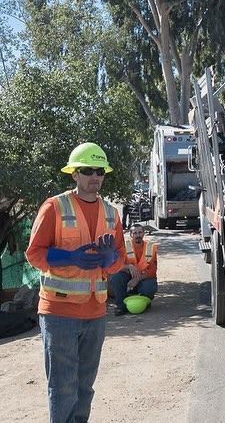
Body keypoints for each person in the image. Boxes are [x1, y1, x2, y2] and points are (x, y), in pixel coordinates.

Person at [25, 142, 125, 423]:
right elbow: (34, 253)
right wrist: (70, 257)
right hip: (59, 314)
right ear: (74, 174)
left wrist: (109, 261)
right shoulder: (54, 207)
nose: (95, 176)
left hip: (95, 313)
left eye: (99, 171)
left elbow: (119, 259)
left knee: (84, 387)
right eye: (87, 170)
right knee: (63, 388)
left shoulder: (111, 212)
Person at [109, 223, 158, 316]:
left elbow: (152, 271)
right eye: (135, 233)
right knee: (116, 277)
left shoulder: (151, 247)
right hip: (128, 275)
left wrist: (137, 279)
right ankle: (121, 306)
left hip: (143, 277)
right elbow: (116, 265)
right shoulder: (123, 246)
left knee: (150, 286)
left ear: (144, 233)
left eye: (140, 232)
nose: (138, 235)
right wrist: (128, 267)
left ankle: (145, 302)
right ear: (131, 235)